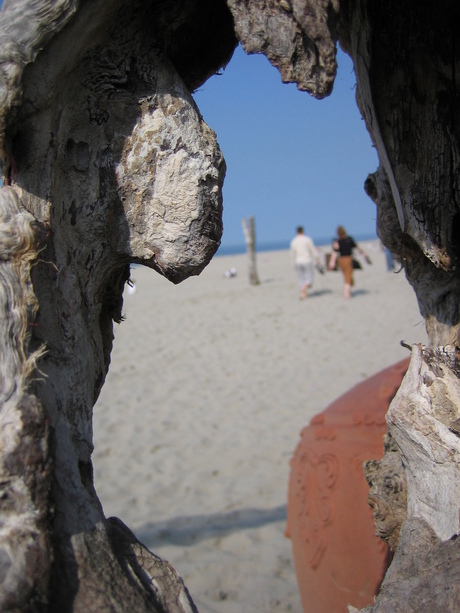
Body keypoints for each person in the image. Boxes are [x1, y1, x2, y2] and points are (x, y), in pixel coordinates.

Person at [329, 226, 371, 299]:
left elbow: (335, 252)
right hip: (348, 259)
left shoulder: (337, 241)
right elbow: (357, 247)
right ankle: (346, 292)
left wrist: (331, 262)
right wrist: (364, 254)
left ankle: (347, 288)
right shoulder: (349, 239)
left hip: (341, 260)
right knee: (348, 275)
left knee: (346, 275)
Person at [290, 226, 321, 299]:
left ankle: (303, 294)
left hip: (298, 261)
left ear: (297, 232)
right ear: (303, 231)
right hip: (307, 260)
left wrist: (293, 263)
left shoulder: (294, 241)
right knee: (309, 278)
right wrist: (317, 259)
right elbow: (312, 250)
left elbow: (292, 254)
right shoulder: (307, 239)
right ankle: (303, 290)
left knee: (301, 278)